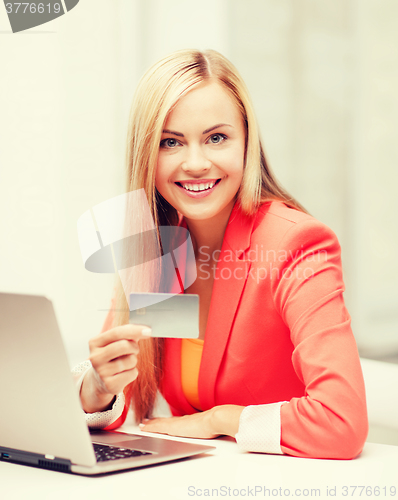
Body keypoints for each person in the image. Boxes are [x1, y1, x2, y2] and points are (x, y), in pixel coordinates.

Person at [73, 49, 368, 459]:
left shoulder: (294, 245)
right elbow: (126, 403)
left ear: (247, 142)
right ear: (147, 155)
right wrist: (98, 388)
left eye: (217, 138)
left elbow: (341, 423)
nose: (195, 163)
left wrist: (221, 420)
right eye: (170, 142)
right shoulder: (159, 249)